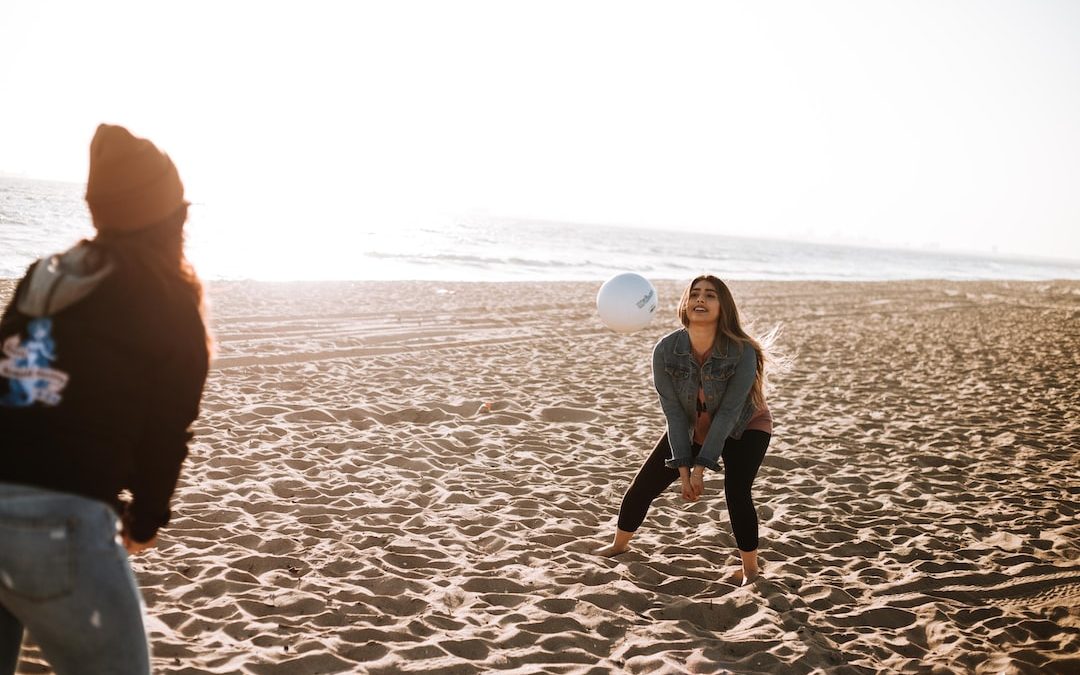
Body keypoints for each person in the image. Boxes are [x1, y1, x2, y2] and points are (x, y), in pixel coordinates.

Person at [0, 124, 210, 674]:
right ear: (168, 218)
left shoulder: (43, 279)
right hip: (58, 526)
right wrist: (144, 521)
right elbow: (168, 432)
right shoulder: (167, 301)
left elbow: (12, 381)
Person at [595, 274, 776, 586]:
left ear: (724, 307)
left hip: (745, 427)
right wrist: (682, 468)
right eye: (695, 294)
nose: (700, 300)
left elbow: (729, 412)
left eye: (710, 295)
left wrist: (700, 468)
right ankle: (619, 545)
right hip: (692, 426)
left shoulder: (743, 351)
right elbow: (674, 414)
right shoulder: (666, 350)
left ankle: (750, 569)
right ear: (685, 303)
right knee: (643, 486)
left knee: (737, 490)